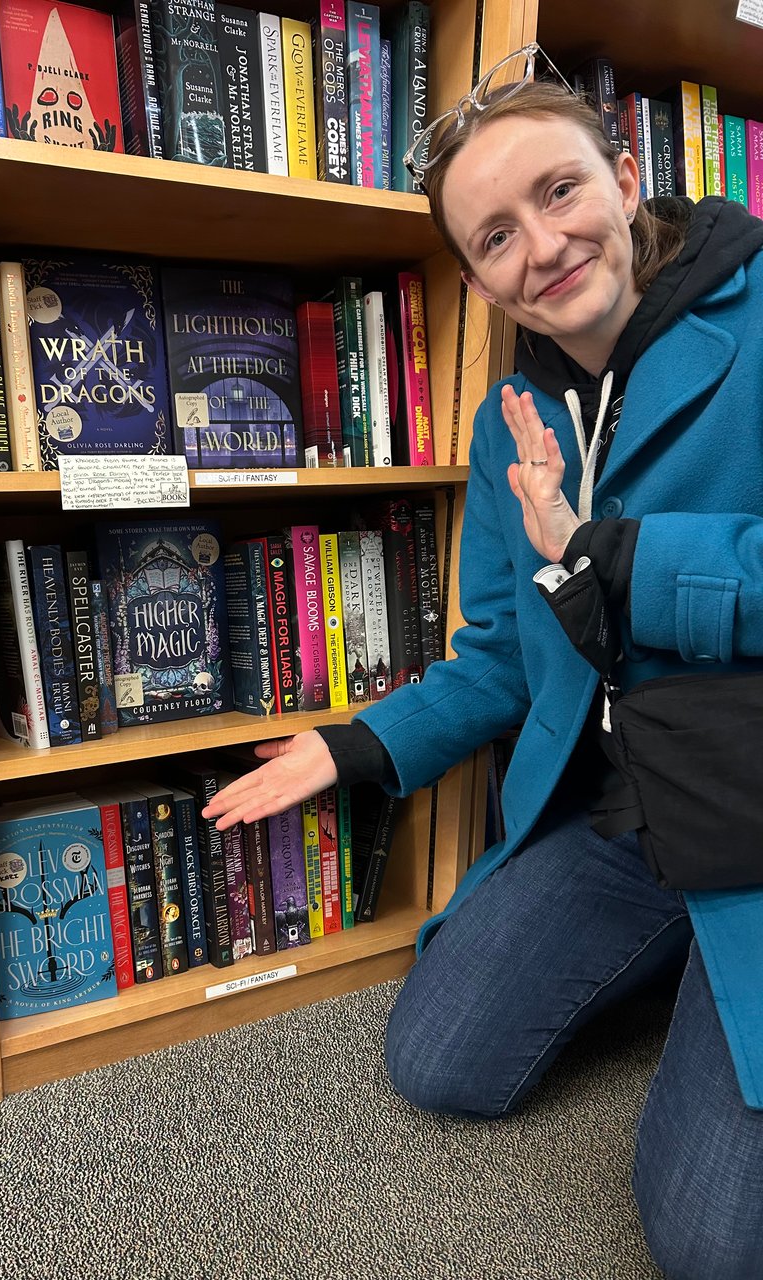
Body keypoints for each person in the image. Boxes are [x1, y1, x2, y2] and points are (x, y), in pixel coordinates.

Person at [202, 45, 763, 1279]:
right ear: (477, 280)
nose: (543, 247)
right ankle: (691, 967)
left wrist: (616, 556)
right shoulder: (510, 416)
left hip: (749, 806)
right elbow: (504, 652)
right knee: (440, 1058)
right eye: (496, 237)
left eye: (560, 192)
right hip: (625, 809)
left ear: (625, 178)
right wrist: (356, 744)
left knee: (714, 1243)